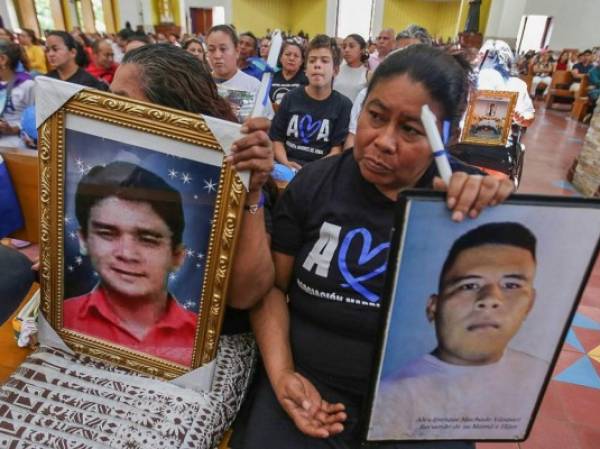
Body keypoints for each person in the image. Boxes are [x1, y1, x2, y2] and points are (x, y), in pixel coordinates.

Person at [230, 44, 514, 449]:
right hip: (315, 383)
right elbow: (271, 289)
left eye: (411, 130)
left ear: (444, 138)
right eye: (375, 117)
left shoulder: (465, 201)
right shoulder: (314, 184)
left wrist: (497, 219)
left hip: (423, 397)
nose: (383, 141)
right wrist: (283, 376)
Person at [109, 43, 274, 327]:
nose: (108, 111)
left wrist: (252, 190)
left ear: (170, 109)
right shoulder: (131, 170)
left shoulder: (234, 167)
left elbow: (245, 296)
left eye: (122, 101)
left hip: (211, 334)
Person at [370, 222, 548, 440]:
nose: (490, 299)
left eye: (510, 285)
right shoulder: (393, 396)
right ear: (433, 307)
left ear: (530, 304)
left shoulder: (535, 372)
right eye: (469, 285)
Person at [63, 162, 196, 366]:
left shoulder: (200, 335)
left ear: (177, 256)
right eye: (107, 234)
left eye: (148, 239)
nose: (126, 254)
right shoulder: (62, 318)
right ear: (83, 240)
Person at [270, 35, 352, 170]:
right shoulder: (290, 98)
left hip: (321, 170)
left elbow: (336, 149)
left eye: (325, 61)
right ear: (305, 70)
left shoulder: (343, 105)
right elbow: (277, 139)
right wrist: (285, 162)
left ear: (335, 71)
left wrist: (311, 171)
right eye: (312, 61)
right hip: (286, 166)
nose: (317, 65)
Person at [344, 25, 433, 150]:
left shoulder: (434, 103)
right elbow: (352, 137)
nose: (405, 61)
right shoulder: (368, 94)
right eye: (399, 53)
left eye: (413, 55)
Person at [206, 25, 273, 122]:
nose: (217, 55)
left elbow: (268, 122)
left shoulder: (254, 86)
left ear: (237, 51)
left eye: (223, 49)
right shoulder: (201, 84)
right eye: (211, 50)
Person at [477, 40, 534, 128]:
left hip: (499, 136)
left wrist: (522, 119)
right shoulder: (471, 79)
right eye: (482, 56)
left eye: (493, 57)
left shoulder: (517, 85)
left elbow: (528, 114)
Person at [0, 40, 34, 147]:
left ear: (3, 59)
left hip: (17, 144)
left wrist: (14, 129)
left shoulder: (27, 85)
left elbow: (38, 120)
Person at [269, 38, 307, 105]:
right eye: (287, 54)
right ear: (280, 58)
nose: (291, 58)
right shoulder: (270, 77)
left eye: (296, 56)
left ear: (301, 61)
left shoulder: (307, 79)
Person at [333, 34, 369, 103]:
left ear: (362, 50)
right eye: (344, 47)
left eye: (351, 46)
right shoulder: (335, 70)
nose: (346, 50)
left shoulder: (367, 74)